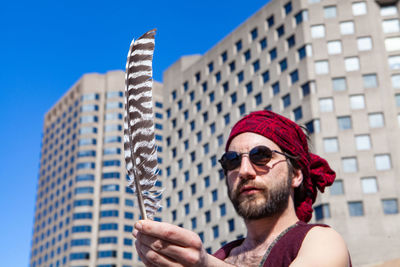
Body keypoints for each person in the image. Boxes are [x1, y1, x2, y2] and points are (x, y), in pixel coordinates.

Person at [133, 110, 351, 267]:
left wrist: (204, 264)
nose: (245, 170)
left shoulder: (321, 241)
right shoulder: (221, 254)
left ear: (295, 175)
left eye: (261, 156)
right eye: (232, 160)